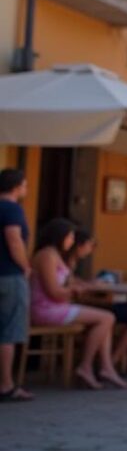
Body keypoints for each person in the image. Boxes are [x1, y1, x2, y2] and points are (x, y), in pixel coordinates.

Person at [29, 219, 127, 390]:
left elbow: (66, 284)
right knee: (107, 318)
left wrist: (85, 286)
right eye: (70, 237)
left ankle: (105, 368)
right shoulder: (47, 256)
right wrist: (74, 291)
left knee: (105, 321)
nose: (72, 241)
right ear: (59, 236)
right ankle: (86, 366)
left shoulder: (54, 255)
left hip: (57, 307)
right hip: (46, 310)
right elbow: (54, 292)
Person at [65, 231, 127, 374]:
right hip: (82, 305)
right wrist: (92, 285)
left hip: (87, 303)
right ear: (79, 245)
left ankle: (113, 363)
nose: (91, 250)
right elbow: (69, 288)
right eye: (90, 245)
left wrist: (90, 283)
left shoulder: (71, 263)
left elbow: (74, 283)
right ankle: (112, 364)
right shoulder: (65, 262)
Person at [0, 169, 33, 401]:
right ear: (16, 187)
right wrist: (25, 266)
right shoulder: (12, 209)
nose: (26, 189)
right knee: (8, 332)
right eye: (25, 185)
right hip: (9, 275)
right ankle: (6, 384)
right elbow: (14, 239)